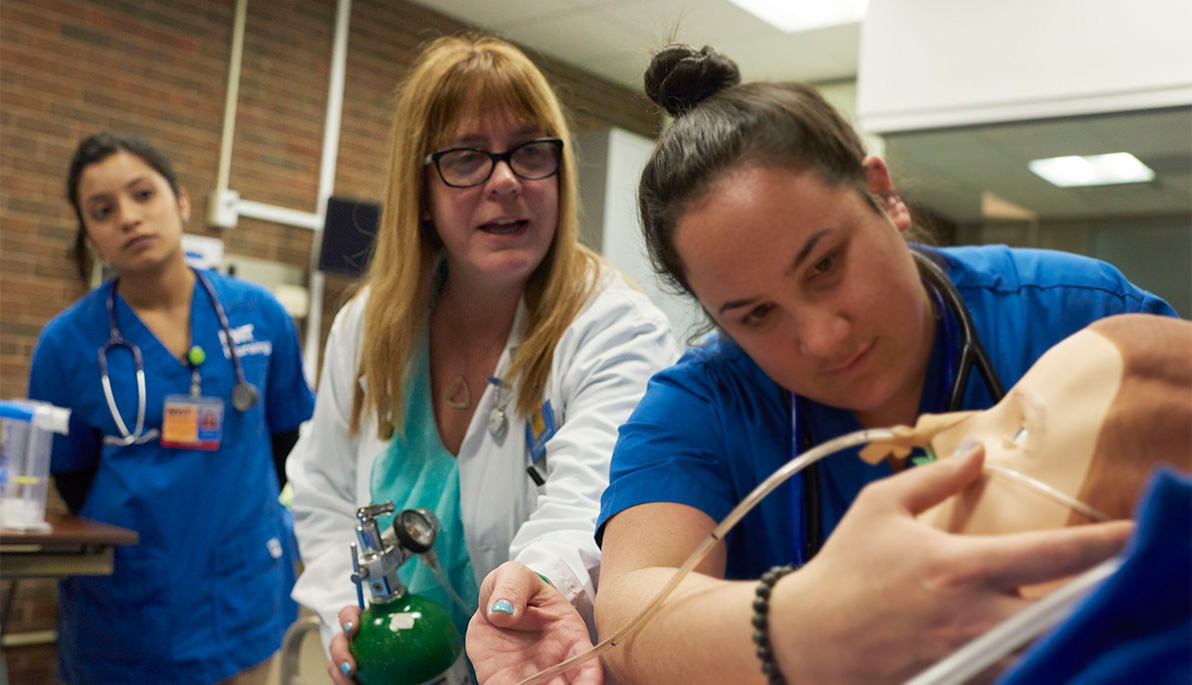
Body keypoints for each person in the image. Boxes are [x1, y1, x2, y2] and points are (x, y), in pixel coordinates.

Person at [593, 44, 1177, 684]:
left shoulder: (1074, 313)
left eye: (824, 266)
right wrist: (804, 623)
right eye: (756, 315)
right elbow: (626, 618)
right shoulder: (700, 406)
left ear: (882, 194)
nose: (820, 338)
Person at [284, 34, 678, 684]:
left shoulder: (615, 327)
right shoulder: (368, 326)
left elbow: (591, 500)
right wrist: (347, 615)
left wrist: (534, 584)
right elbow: (323, 491)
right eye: (467, 158)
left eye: (529, 151)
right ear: (422, 190)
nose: (505, 180)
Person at [27, 131, 316, 684]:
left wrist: (228, 517)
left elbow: (284, 438)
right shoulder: (65, 345)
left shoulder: (259, 314)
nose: (129, 218)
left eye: (143, 195)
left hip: (242, 595)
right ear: (89, 235)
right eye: (103, 211)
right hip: (129, 608)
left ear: (180, 201)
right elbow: (71, 477)